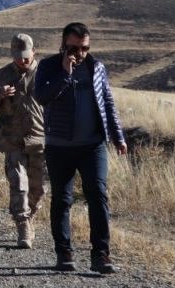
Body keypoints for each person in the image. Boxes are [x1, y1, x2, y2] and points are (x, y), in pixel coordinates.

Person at [34, 22, 127, 274]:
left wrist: (118, 136)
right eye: (74, 47)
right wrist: (64, 73)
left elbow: (107, 101)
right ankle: (63, 252)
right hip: (59, 145)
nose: (80, 53)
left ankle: (101, 254)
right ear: (63, 44)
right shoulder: (48, 66)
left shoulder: (96, 68)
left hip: (92, 145)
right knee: (62, 200)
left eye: (84, 47)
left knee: (98, 195)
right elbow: (41, 97)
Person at [0, 34, 46, 248]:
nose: (23, 61)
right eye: (18, 57)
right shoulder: (2, 75)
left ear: (34, 52)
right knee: (18, 184)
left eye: (26, 56)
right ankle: (23, 224)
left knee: (39, 189)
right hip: (12, 139)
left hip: (39, 139)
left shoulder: (44, 74)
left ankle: (30, 215)